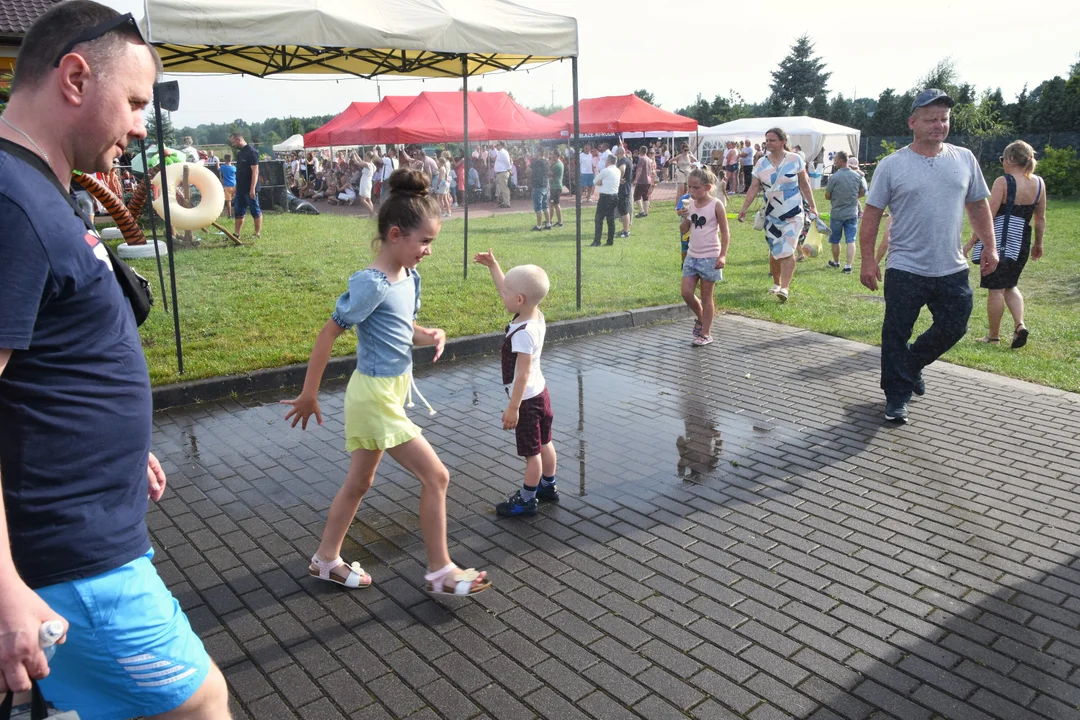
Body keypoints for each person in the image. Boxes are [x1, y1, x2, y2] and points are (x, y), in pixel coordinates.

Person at [0, 2, 232, 717]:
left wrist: (117, 450)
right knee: (201, 704)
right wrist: (4, 585)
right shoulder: (13, 203)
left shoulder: (40, 190)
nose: (141, 123)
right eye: (133, 101)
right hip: (75, 560)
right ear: (74, 77)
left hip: (87, 534)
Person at [281, 168, 492, 597]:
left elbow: (401, 326)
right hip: (374, 396)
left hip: (390, 391)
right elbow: (329, 333)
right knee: (437, 477)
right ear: (395, 235)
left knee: (360, 483)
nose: (429, 251)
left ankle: (325, 561)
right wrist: (309, 393)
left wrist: (428, 333)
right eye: (425, 242)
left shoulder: (408, 277)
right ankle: (441, 572)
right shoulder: (371, 284)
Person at [859, 89, 997, 423]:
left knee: (955, 325)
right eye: (931, 119)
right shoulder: (893, 165)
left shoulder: (964, 158)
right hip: (906, 267)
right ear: (913, 122)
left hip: (951, 267)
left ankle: (910, 365)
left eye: (944, 119)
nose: (939, 125)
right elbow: (873, 215)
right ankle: (896, 397)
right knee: (896, 333)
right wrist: (868, 259)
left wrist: (990, 246)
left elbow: (978, 205)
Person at [472, 250, 558, 517]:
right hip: (541, 393)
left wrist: (513, 408)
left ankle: (527, 500)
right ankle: (548, 485)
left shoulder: (522, 334)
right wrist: (494, 266)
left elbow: (521, 375)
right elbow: (508, 289)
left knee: (532, 454)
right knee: (546, 443)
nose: (502, 295)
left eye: (506, 293)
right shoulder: (534, 314)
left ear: (519, 299)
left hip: (528, 401)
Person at [962, 140, 1046, 348]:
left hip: (1000, 241)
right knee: (1011, 284)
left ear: (1009, 159)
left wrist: (971, 243)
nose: (1002, 164)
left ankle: (993, 336)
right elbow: (1040, 218)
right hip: (1022, 242)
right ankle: (1019, 325)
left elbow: (987, 214)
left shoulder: (1003, 182)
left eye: (1003, 159)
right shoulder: (1039, 183)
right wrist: (1038, 244)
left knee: (996, 290)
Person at [737, 127, 818, 302]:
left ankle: (785, 288)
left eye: (772, 140)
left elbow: (805, 185)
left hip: (793, 213)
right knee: (775, 250)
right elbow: (753, 187)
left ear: (782, 142)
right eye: (767, 140)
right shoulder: (761, 163)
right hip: (771, 214)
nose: (768, 143)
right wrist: (744, 208)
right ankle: (776, 282)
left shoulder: (795, 160)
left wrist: (813, 206)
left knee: (788, 249)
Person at [678, 167, 730, 347]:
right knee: (686, 292)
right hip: (692, 255)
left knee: (707, 295)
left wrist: (722, 255)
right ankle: (701, 317)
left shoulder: (716, 204)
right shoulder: (689, 204)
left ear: (708, 187)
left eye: (695, 188)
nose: (691, 191)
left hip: (710, 255)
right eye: (689, 187)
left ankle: (706, 333)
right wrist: (685, 218)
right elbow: (683, 231)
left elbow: (725, 232)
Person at [825, 151, 865, 273]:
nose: (834, 162)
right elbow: (862, 192)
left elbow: (827, 196)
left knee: (835, 239)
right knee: (850, 240)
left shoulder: (834, 177)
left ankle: (836, 262)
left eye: (835, 160)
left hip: (837, 213)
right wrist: (852, 198)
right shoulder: (857, 176)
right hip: (852, 213)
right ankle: (848, 266)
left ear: (841, 161)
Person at [230, 132, 261, 239]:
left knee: (255, 210)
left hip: (250, 188)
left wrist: (252, 189)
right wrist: (236, 186)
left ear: (239, 139)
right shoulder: (240, 153)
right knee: (238, 211)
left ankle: (257, 234)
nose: (233, 145)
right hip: (240, 189)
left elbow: (255, 172)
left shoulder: (252, 152)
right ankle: (236, 234)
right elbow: (239, 172)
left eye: (233, 142)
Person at [591, 155, 620, 246]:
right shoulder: (617, 170)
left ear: (608, 161)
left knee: (599, 219)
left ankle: (597, 241)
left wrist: (601, 182)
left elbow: (595, 181)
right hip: (614, 196)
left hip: (605, 197)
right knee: (610, 220)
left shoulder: (605, 171)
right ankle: (610, 241)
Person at [529, 146, 550, 231]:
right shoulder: (547, 162)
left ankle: (539, 226)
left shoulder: (535, 162)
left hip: (537, 186)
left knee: (538, 207)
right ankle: (548, 224)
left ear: (538, 153)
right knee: (545, 206)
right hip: (545, 185)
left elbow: (528, 170)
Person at [615, 146, 633, 238]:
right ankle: (625, 229)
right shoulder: (626, 160)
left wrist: (618, 179)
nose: (616, 155)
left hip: (623, 189)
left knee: (624, 210)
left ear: (620, 153)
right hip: (625, 188)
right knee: (623, 210)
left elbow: (622, 169)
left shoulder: (623, 161)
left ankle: (626, 231)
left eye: (617, 153)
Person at [493, 141, 512, 208]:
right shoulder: (500, 152)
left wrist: (509, 169)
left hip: (503, 172)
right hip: (500, 172)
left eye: (497, 145)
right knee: (502, 188)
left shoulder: (503, 152)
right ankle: (504, 201)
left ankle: (506, 202)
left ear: (501, 145)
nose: (496, 146)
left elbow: (507, 162)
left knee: (504, 188)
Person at [548, 149, 564, 228]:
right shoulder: (558, 163)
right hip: (554, 187)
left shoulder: (557, 165)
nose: (551, 157)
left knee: (555, 204)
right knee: (552, 204)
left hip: (556, 187)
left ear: (557, 156)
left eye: (553, 156)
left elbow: (550, 174)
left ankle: (559, 222)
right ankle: (550, 220)